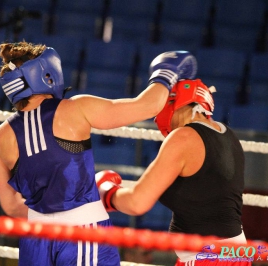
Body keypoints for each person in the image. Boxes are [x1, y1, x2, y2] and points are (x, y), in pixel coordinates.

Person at [0, 41, 197, 265]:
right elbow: (148, 106)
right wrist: (166, 72)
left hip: (35, 240)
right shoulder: (74, 109)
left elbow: (11, 205)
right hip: (83, 234)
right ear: (47, 74)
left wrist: (48, 218)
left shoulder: (0, 136)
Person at [96, 77, 251, 265]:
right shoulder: (228, 135)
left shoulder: (184, 137)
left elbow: (137, 203)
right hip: (232, 253)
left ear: (175, 100)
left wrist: (106, 192)